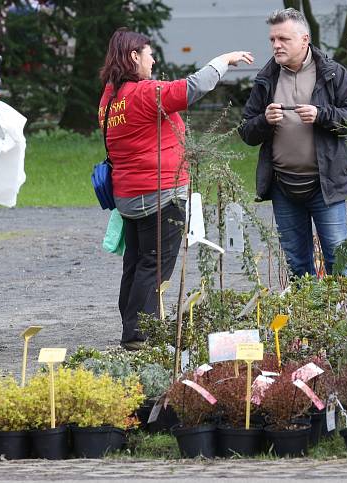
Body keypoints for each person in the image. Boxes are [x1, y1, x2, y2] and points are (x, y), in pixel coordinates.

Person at [98, 28, 253, 350]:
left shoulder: (110, 97)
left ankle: (132, 326)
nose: (153, 60)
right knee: (153, 265)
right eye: (149, 54)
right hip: (160, 195)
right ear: (133, 57)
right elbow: (192, 88)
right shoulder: (144, 93)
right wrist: (224, 59)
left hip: (129, 196)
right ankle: (140, 335)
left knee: (137, 263)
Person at [239, 8, 347, 277]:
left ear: (304, 39)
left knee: (338, 261)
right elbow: (246, 131)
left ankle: (342, 316)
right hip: (283, 186)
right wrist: (264, 120)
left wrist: (322, 115)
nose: (276, 45)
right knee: (297, 265)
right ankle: (306, 318)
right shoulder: (266, 79)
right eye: (272, 39)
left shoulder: (333, 73)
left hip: (325, 185)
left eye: (283, 39)